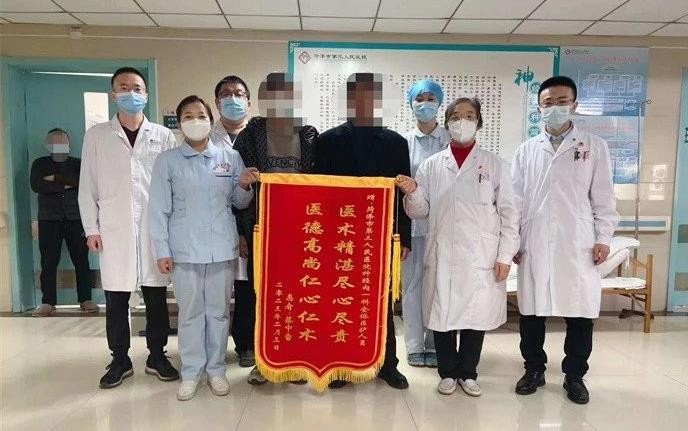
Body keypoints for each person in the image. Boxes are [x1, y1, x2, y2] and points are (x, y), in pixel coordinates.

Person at [397, 98, 519, 397]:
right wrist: (412, 192)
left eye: (469, 116)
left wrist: (505, 256)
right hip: (443, 252)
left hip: (481, 255)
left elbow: (509, 213)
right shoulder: (432, 165)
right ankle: (448, 372)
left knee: (475, 317)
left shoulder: (494, 164)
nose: (461, 122)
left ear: (479, 122)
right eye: (455, 116)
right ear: (447, 122)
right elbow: (419, 211)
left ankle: (468, 372)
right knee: (442, 315)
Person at [511, 76, 619, 404]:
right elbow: (515, 201)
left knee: (580, 312)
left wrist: (603, 238)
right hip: (535, 240)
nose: (555, 108)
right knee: (532, 312)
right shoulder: (526, 150)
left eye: (562, 101)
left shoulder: (594, 147)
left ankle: (574, 375)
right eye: (548, 103)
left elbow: (604, 198)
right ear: (539, 107)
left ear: (575, 104)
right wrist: (513, 242)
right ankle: (534, 369)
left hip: (578, 243)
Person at [149, 95, 258, 401]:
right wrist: (162, 250)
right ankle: (191, 372)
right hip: (184, 250)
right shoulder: (168, 161)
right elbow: (158, 209)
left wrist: (244, 186)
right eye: (188, 116)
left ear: (211, 121)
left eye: (201, 115)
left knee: (219, 314)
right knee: (190, 314)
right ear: (180, 122)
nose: (195, 121)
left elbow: (240, 203)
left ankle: (217, 370)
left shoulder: (229, 157)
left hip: (221, 248)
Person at [79, 67, 180, 389]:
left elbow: (172, 187)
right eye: (123, 87)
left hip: (154, 230)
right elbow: (87, 186)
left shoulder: (163, 136)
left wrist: (171, 233)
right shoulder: (97, 136)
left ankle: (157, 355)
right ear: (114, 94)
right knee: (116, 298)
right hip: (114, 230)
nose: (130, 93)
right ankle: (120, 359)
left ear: (146, 95)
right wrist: (91, 229)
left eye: (136, 88)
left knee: (156, 295)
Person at [314, 72, 411, 390]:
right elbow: (318, 193)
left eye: (371, 95)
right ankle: (341, 366)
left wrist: (404, 237)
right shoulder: (327, 141)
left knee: (380, 302)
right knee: (341, 300)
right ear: (348, 100)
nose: (364, 101)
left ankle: (387, 364)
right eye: (358, 95)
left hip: (380, 236)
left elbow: (402, 195)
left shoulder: (396, 143)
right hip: (339, 236)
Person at [232, 72, 319, 385]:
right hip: (261, 231)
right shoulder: (249, 135)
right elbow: (238, 188)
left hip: (301, 232)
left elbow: (321, 184)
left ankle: (294, 360)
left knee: (299, 295)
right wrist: (241, 234)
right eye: (274, 95)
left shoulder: (309, 135)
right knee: (264, 295)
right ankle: (264, 361)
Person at [401, 79, 450, 368]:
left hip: (445, 227)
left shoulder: (451, 140)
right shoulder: (403, 142)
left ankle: (435, 343)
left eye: (431, 98)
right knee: (413, 286)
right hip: (414, 227)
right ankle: (414, 345)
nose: (425, 104)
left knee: (441, 285)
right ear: (411, 103)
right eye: (419, 98)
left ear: (440, 103)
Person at [210, 74, 255, 368]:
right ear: (217, 103)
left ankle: (245, 344)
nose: (233, 99)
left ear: (248, 102)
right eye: (226, 94)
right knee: (215, 294)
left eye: (239, 94)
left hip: (252, 224)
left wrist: (244, 232)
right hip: (216, 226)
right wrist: (236, 231)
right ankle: (210, 350)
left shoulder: (257, 136)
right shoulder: (205, 138)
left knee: (247, 288)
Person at [30, 128, 97, 317]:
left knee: (81, 260)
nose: (59, 144)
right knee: (48, 261)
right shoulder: (40, 164)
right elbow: (37, 185)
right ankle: (48, 302)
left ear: (68, 143)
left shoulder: (78, 163)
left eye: (62, 141)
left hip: (76, 218)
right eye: (55, 141)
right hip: (49, 219)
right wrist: (67, 184)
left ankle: (85, 299)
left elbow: (82, 182)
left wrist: (55, 179)